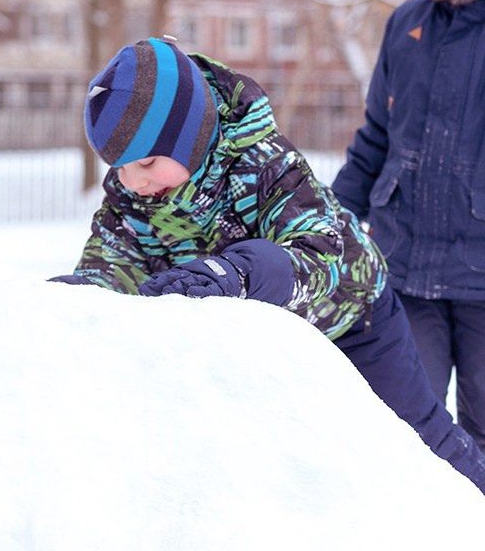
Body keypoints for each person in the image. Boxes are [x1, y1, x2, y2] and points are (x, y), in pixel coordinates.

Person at [53, 36, 485, 494]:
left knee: (416, 440)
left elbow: (320, 251)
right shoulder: (131, 200)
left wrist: (240, 271)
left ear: (190, 137)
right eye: (117, 166)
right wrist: (75, 301)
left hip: (354, 323)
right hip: (267, 346)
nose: (131, 181)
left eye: (147, 162)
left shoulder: (267, 165)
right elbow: (110, 263)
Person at [332, 0, 485, 456]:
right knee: (403, 433)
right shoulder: (406, 26)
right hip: (406, 274)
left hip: (481, 279)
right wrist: (332, 220)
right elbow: (375, 138)